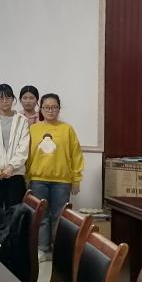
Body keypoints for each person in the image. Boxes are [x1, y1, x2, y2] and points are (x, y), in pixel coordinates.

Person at [26, 93, 83, 262]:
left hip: (62, 181)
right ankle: (42, 249)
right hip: (38, 179)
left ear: (59, 109)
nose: (50, 110)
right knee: (41, 216)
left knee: (60, 217)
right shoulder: (33, 129)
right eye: (47, 107)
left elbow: (76, 155)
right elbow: (27, 155)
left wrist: (76, 179)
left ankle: (58, 252)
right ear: (40, 109)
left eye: (54, 107)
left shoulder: (67, 129)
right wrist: (26, 177)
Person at [0, 84, 30, 209]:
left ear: (13, 99)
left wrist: (11, 167)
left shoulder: (22, 120)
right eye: (1, 98)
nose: (4, 101)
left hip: (15, 173)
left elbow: (23, 147)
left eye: (8, 98)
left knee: (14, 211)